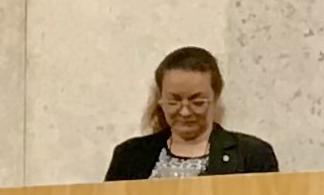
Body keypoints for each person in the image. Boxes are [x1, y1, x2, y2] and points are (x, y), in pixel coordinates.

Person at [104, 47, 280, 182]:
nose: (185, 111)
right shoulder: (129, 156)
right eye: (174, 101)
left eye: (197, 102)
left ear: (215, 98)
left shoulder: (252, 156)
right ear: (160, 99)